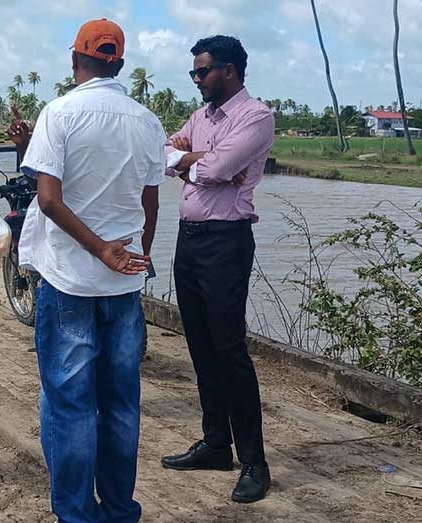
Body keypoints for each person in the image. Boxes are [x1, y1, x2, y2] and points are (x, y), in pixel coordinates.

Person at [18, 19, 166, 522]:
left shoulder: (59, 113)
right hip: (124, 285)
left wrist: (101, 249)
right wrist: (134, 258)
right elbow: (151, 204)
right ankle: (121, 509)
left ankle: (78, 515)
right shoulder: (146, 121)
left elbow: (48, 198)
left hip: (70, 282)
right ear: (119, 65)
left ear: (74, 60)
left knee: (71, 404)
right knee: (122, 402)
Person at [159, 35, 275, 503]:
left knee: (230, 351)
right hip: (189, 240)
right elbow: (168, 156)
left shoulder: (256, 117)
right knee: (201, 346)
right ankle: (214, 444)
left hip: (226, 242)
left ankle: (254, 461)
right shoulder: (201, 116)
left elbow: (212, 171)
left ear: (229, 70)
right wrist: (195, 160)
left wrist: (194, 163)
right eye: (193, 73)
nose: (196, 80)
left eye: (201, 71)